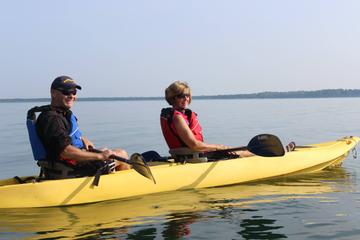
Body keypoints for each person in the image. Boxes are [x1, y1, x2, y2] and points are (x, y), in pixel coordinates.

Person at [33, 75, 130, 179]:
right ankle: (124, 186)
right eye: (66, 92)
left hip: (69, 164)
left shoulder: (60, 114)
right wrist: (100, 156)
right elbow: (65, 151)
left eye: (74, 92)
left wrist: (82, 139)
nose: (71, 96)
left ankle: (111, 178)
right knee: (121, 154)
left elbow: (61, 137)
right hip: (71, 169)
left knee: (106, 150)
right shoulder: (52, 119)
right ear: (53, 93)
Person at [160, 81, 254, 160]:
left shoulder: (173, 115)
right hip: (193, 158)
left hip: (187, 156)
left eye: (187, 95)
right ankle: (263, 158)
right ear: (173, 98)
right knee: (241, 152)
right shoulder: (177, 118)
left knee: (236, 149)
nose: (186, 98)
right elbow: (194, 145)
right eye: (181, 96)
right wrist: (219, 147)